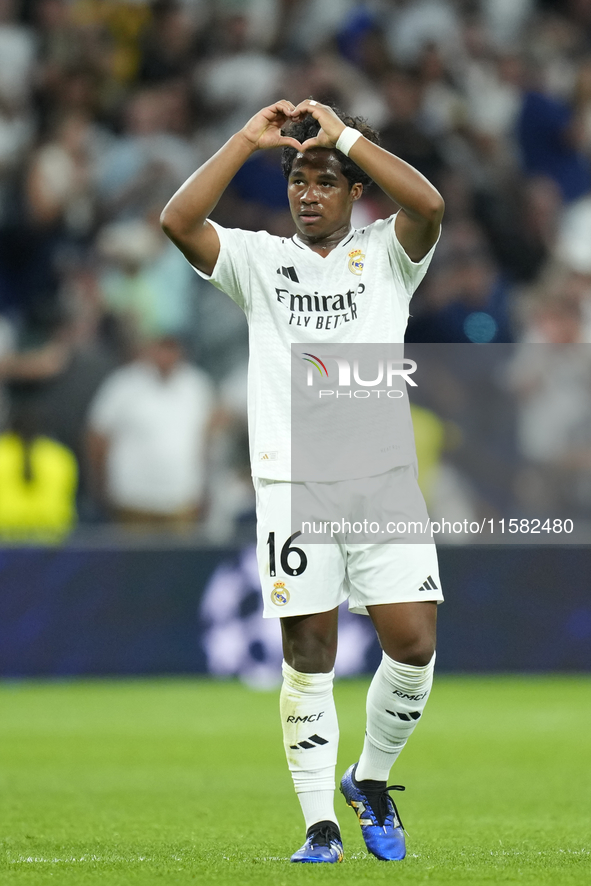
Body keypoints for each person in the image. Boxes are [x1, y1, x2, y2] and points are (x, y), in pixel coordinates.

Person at [161, 98, 444, 863]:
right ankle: (319, 823)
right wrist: (246, 140)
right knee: (308, 651)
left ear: (356, 193)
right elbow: (179, 222)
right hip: (293, 486)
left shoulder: (389, 254)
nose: (308, 192)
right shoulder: (257, 261)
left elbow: (430, 203)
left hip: (382, 480)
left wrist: (343, 134)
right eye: (297, 179)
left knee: (413, 643)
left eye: (325, 180)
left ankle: (370, 779)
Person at [86, 334, 214, 528]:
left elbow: (205, 441)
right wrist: (100, 487)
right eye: (162, 348)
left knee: (179, 558)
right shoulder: (124, 383)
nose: (166, 355)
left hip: (181, 499)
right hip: (132, 498)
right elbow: (97, 437)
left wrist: (205, 489)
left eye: (171, 349)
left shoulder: (196, 385)